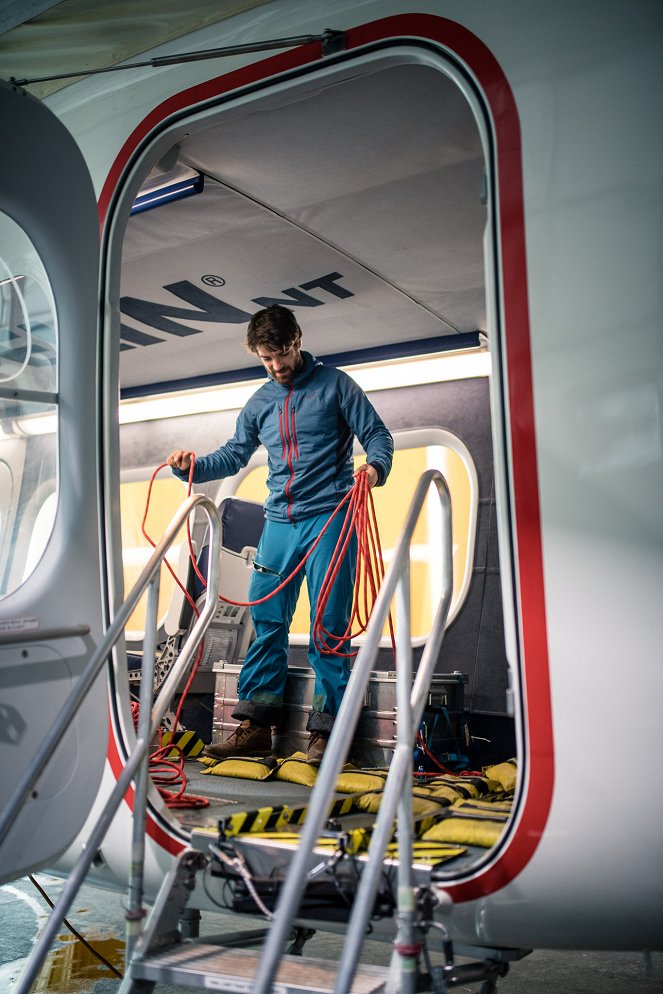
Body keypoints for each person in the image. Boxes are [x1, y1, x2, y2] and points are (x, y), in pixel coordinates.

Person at [167, 304, 393, 763]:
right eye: (266, 359)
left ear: (298, 340)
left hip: (331, 519)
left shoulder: (337, 386)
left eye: (282, 354)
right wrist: (191, 467)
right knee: (266, 622)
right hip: (279, 524)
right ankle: (254, 725)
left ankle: (328, 733)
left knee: (328, 627)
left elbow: (379, 437)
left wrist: (374, 468)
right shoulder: (260, 403)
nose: (276, 366)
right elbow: (232, 455)